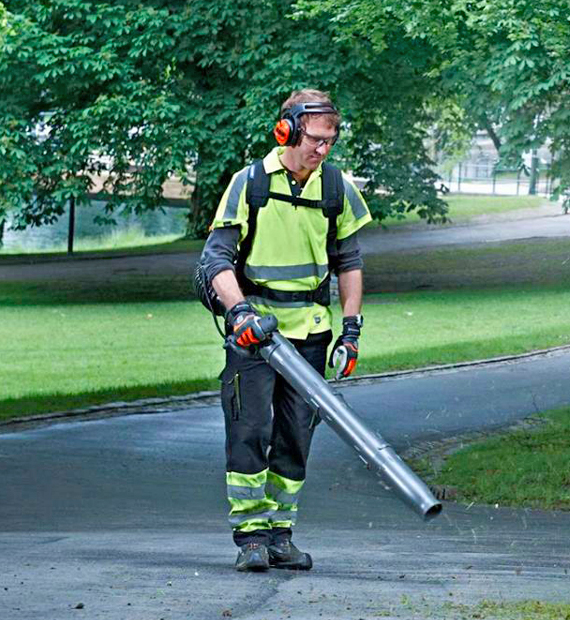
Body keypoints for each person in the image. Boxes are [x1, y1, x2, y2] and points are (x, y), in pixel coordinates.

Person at [194, 89, 372, 572]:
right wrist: (240, 314)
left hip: (310, 335)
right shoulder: (248, 183)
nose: (323, 149)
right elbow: (215, 261)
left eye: (330, 141)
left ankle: (280, 534)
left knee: (296, 437)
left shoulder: (337, 188)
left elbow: (349, 262)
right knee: (251, 430)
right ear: (287, 131)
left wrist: (351, 330)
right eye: (315, 139)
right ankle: (250, 537)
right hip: (256, 336)